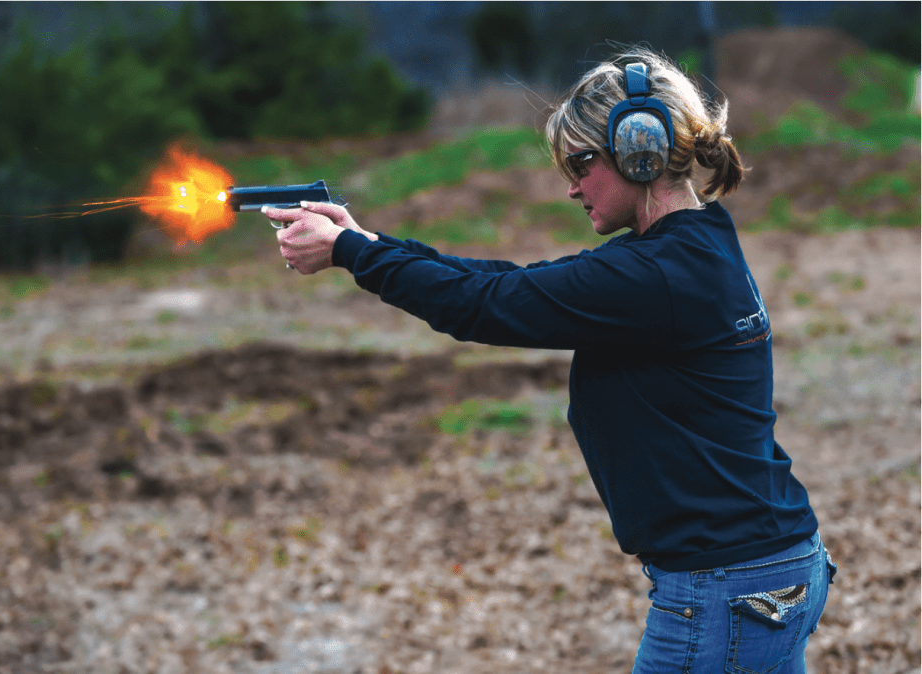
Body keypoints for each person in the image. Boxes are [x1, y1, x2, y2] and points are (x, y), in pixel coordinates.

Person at [264, 47, 836, 674]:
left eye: (582, 162)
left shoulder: (655, 275)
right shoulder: (693, 248)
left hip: (727, 586)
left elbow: (484, 305)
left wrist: (352, 254)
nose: (571, 185)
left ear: (637, 151)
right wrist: (370, 244)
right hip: (762, 568)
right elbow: (510, 283)